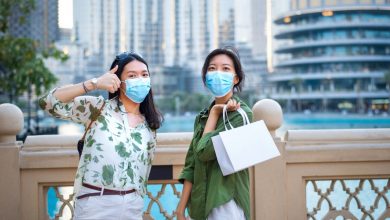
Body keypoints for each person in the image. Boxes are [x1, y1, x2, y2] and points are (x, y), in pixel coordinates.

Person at [39, 51, 163, 220]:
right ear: (119, 81)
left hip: (133, 207)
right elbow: (48, 102)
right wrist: (94, 83)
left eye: (144, 74)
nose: (140, 79)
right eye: (132, 75)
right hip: (96, 203)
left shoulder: (149, 124)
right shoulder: (97, 108)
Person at [176, 47, 252, 220]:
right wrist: (180, 208)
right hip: (200, 204)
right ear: (205, 78)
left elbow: (204, 152)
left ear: (235, 78)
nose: (218, 73)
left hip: (225, 202)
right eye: (212, 68)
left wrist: (216, 112)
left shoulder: (241, 115)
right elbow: (192, 164)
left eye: (225, 68)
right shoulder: (203, 116)